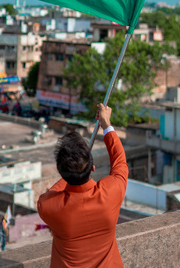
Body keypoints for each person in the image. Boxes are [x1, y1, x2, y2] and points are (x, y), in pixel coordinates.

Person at [37, 104, 128, 268]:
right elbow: (119, 161)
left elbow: (53, 192)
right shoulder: (110, 193)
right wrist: (106, 124)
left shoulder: (49, 206)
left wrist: (74, 171)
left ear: (60, 171)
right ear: (92, 167)